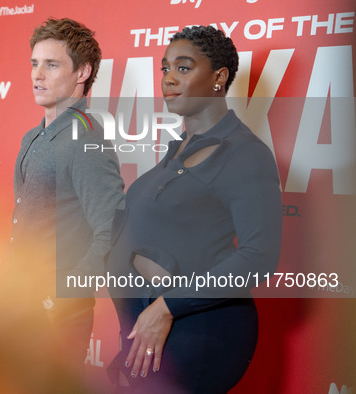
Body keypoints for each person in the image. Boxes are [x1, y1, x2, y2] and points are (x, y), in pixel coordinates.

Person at [106, 25, 282, 393]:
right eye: (165, 69)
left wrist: (168, 306)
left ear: (219, 77)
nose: (169, 79)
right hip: (146, 325)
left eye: (183, 68)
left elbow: (259, 255)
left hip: (195, 330)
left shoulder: (245, 154)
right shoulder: (177, 152)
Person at [9, 18, 125, 366]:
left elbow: (114, 228)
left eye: (51, 64)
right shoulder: (33, 137)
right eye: (34, 63)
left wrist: (62, 296)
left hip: (55, 316)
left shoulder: (86, 139)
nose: (37, 75)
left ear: (82, 72)